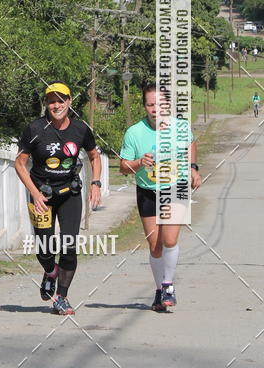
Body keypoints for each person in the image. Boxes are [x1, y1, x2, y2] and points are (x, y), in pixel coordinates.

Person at [15, 82, 102, 316]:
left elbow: (94, 156)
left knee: (69, 246)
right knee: (44, 248)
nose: (56, 105)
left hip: (70, 195)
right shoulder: (35, 129)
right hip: (41, 195)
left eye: (61, 100)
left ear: (69, 101)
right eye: (51, 101)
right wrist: (34, 193)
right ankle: (50, 270)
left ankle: (61, 297)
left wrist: (96, 183)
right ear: (46, 104)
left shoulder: (81, 129)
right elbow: (20, 163)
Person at [119, 83, 202, 312]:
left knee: (170, 240)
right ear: (145, 106)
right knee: (155, 246)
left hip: (176, 188)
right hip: (148, 191)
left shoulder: (181, 127)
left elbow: (191, 143)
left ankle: (168, 286)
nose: (156, 109)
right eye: (151, 104)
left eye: (161, 104)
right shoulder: (134, 133)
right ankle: (159, 290)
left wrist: (193, 167)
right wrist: (138, 163)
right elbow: (123, 167)